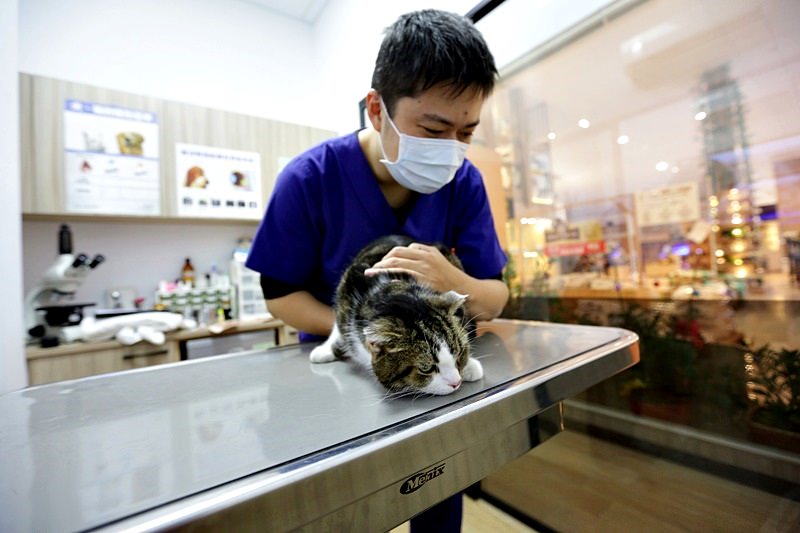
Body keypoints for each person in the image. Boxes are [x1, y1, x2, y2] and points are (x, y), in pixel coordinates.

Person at [246, 9, 508, 531]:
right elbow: (279, 292)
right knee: (339, 504)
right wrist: (361, 338)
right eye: (433, 128)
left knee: (436, 485)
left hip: (437, 372)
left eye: (467, 132)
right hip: (334, 370)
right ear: (376, 109)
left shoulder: (465, 183)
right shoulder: (309, 179)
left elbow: (496, 295)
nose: (451, 148)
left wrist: (457, 286)